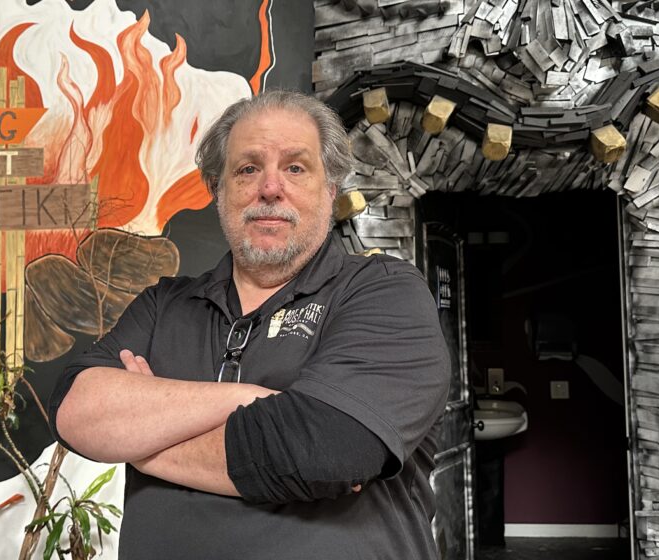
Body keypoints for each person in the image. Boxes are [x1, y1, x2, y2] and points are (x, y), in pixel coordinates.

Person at [48, 90, 450, 559]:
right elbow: (76, 413)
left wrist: (140, 444)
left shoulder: (383, 291)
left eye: (296, 168)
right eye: (247, 169)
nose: (270, 188)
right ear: (219, 191)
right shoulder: (164, 305)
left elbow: (327, 451)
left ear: (330, 189)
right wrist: (248, 401)